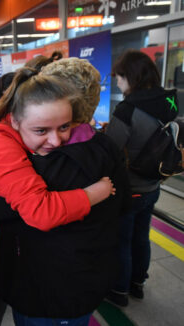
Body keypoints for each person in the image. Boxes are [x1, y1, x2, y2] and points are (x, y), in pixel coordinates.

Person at [0, 67, 117, 326]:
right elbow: (40, 211)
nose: (56, 140)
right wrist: (93, 193)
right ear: (16, 121)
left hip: (13, 256)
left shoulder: (25, 136)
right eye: (42, 130)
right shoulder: (1, 143)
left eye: (64, 126)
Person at [105, 49, 179, 307]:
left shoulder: (128, 109)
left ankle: (118, 291)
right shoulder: (170, 101)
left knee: (122, 240)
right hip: (153, 185)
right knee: (141, 236)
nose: (117, 81)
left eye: (119, 76)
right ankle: (138, 284)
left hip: (129, 188)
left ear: (131, 77)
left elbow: (112, 149)